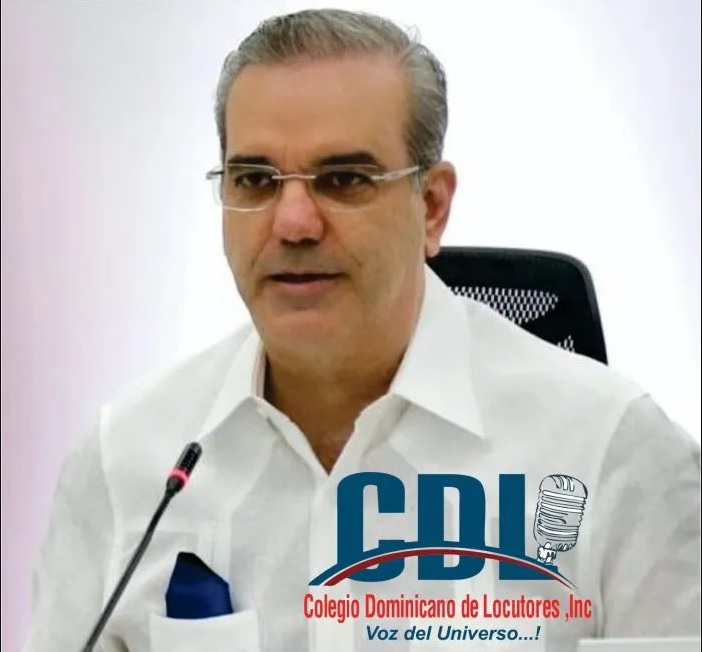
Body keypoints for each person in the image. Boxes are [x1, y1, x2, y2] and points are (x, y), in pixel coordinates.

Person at [23, 8, 700, 652]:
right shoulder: (129, 461)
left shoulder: (611, 455)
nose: (293, 223)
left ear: (431, 206)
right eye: (255, 179)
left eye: (343, 179)